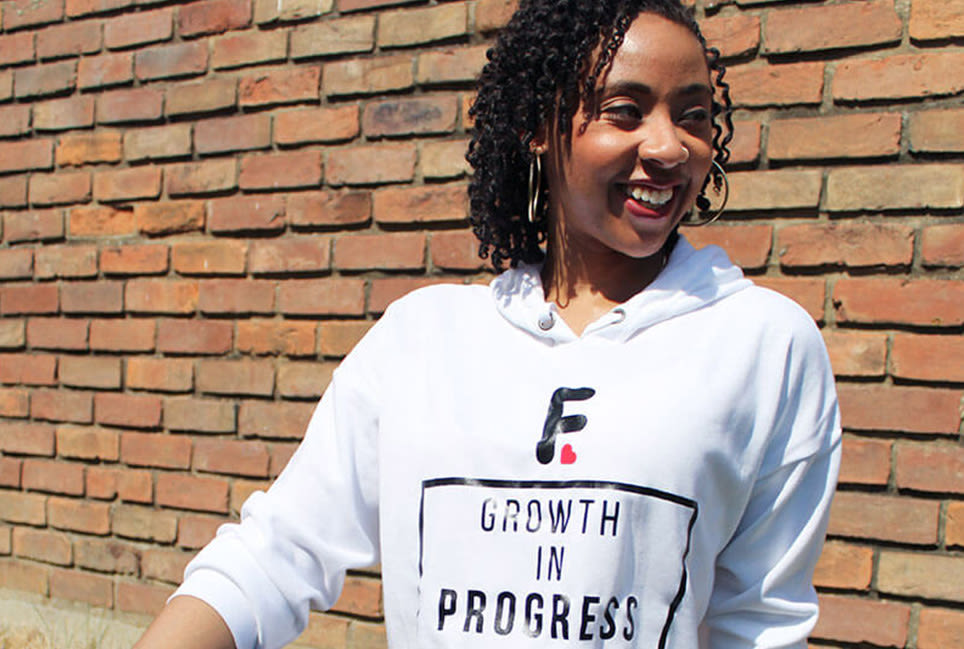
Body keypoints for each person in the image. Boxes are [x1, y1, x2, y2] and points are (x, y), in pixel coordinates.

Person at [134, 1, 841, 647]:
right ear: (540, 126)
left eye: (692, 116)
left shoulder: (763, 345)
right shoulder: (423, 341)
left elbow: (759, 625)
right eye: (625, 110)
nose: (668, 146)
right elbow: (275, 554)